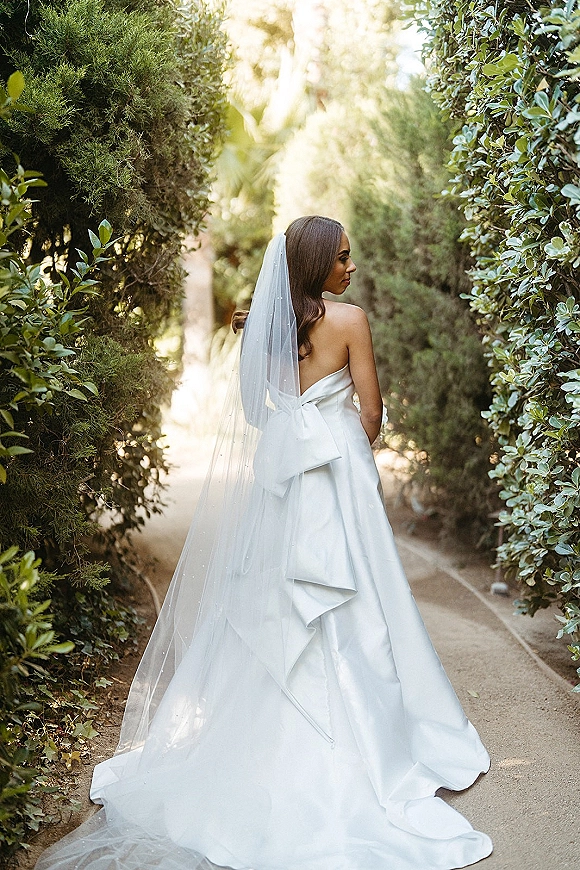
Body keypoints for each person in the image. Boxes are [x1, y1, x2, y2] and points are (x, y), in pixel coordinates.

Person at [36, 216, 493, 870]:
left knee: (274, 603)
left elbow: (256, 414)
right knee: (357, 602)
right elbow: (370, 416)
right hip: (335, 479)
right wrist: (345, 444)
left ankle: (264, 736)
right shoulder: (351, 322)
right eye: (341, 258)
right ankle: (371, 741)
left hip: (282, 480)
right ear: (315, 268)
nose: (351, 267)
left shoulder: (264, 329)